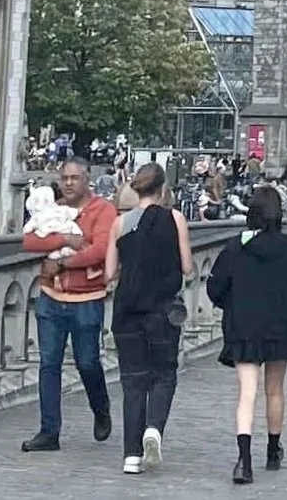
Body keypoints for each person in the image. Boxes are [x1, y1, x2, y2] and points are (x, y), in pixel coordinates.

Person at [206, 184, 287, 486]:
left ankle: (244, 459)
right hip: (281, 325)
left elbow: (214, 287)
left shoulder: (235, 248)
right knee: (275, 390)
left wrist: (229, 302)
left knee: (247, 392)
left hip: (243, 325)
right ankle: (272, 449)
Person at [21, 159, 115, 453]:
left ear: (87, 179)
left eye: (75, 178)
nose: (69, 183)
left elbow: (100, 250)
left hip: (87, 298)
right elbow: (29, 241)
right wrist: (65, 239)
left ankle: (100, 407)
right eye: (64, 178)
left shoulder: (103, 210)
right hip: (51, 297)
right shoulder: (53, 210)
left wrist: (61, 261)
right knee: (49, 364)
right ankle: (49, 431)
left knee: (87, 361)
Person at [112, 161, 190, 476]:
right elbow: (186, 266)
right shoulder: (175, 218)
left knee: (132, 382)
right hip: (162, 310)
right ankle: (154, 428)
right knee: (163, 373)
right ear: (163, 190)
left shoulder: (120, 223)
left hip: (127, 310)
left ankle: (131, 456)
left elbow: (108, 272)